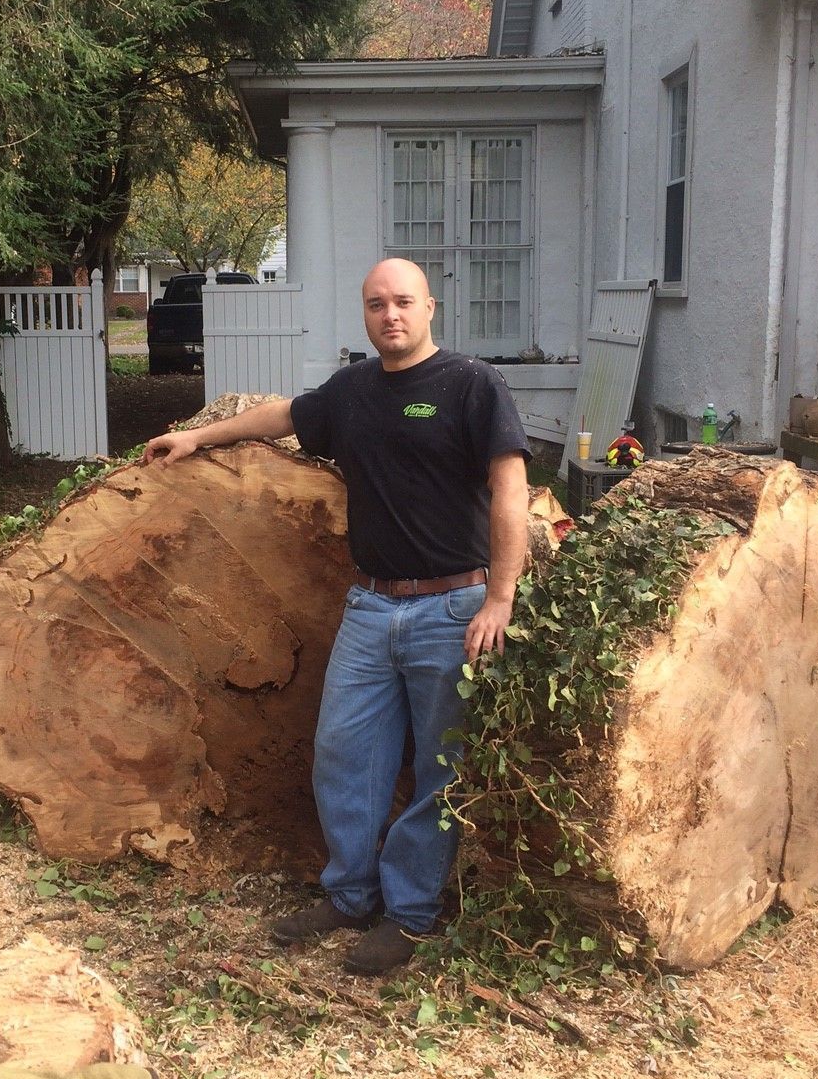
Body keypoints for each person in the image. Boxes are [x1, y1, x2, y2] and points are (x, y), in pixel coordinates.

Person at [142, 258, 530, 975]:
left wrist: (500, 598)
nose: (392, 316)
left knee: (437, 767)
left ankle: (410, 914)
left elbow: (511, 491)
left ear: (430, 308)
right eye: (378, 304)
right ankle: (350, 894)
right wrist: (199, 437)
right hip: (370, 605)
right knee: (344, 755)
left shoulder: (473, 385)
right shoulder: (352, 392)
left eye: (404, 302)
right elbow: (287, 415)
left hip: (452, 605)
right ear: (365, 313)